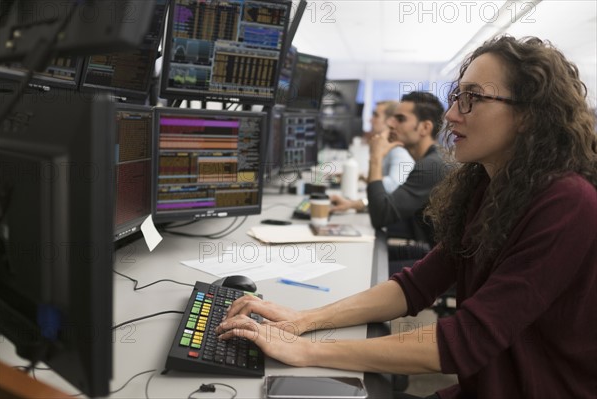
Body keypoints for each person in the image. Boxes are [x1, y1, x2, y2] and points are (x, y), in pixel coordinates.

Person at [217, 36, 597, 399]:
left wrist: (307, 351)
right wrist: (304, 319)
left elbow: (464, 341)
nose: (451, 114)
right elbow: (415, 286)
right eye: (456, 97)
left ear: (528, 116)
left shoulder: (567, 203)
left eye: (472, 99)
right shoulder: (488, 187)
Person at [332, 92, 447, 246]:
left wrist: (375, 158)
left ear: (425, 128)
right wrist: (357, 205)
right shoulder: (431, 160)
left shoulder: (431, 167)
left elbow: (380, 216)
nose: (391, 124)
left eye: (400, 119)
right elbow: (393, 206)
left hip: (437, 263)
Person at [370, 100, 415, 193]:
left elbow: (394, 186)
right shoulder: (385, 145)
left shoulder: (399, 149)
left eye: (376, 115)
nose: (370, 120)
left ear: (390, 120)